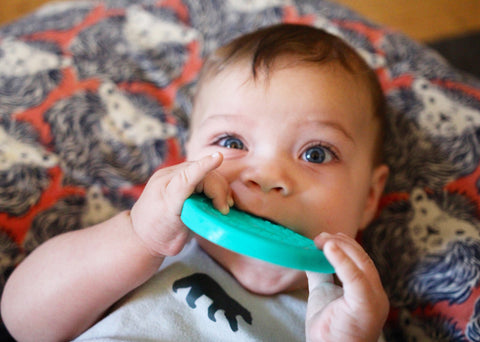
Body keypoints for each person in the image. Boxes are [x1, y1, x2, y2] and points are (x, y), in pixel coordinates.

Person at [1, 23, 390, 342]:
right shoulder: (153, 250)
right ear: (190, 157)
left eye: (316, 154)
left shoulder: (352, 320)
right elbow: (23, 322)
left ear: (370, 197)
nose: (267, 176)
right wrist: (139, 236)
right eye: (232, 143)